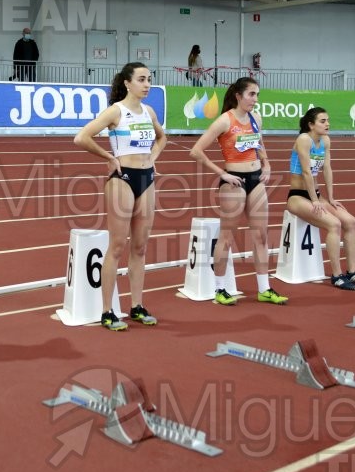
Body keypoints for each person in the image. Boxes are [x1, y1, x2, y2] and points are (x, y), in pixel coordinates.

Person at [74, 62, 167, 331]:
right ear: (128, 83)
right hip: (123, 179)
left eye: (149, 79)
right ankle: (107, 311)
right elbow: (82, 137)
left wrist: (153, 157)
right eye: (141, 79)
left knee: (140, 247)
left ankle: (136, 306)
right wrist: (108, 156)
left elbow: (162, 138)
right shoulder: (116, 111)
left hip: (147, 179)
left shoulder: (149, 111)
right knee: (117, 246)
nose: (147, 84)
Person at [189, 77, 288, 306]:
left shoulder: (256, 118)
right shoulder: (224, 121)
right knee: (226, 237)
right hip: (234, 182)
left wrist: (267, 163)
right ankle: (220, 289)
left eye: (257, 95)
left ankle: (264, 289)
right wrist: (222, 173)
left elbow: (259, 142)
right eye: (251, 94)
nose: (255, 99)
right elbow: (196, 151)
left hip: (256, 180)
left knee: (261, 236)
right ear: (238, 95)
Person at [285, 107, 355, 290]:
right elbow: (307, 172)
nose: (328, 124)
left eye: (328, 120)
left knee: (350, 221)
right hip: (298, 197)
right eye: (322, 121)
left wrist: (330, 198)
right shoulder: (303, 139)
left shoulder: (325, 140)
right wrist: (315, 201)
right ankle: (337, 275)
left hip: (316, 195)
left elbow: (327, 169)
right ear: (311, 124)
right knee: (334, 224)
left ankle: (352, 272)